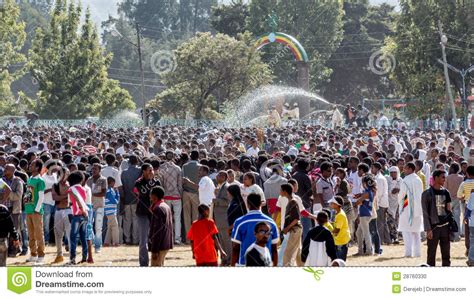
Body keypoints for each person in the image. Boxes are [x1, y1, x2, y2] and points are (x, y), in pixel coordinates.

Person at [231, 193, 279, 266]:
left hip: (244, 264)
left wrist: (232, 266)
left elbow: (235, 248)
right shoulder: (271, 223)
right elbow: (274, 249)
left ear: (247, 204)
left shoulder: (239, 222)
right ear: (260, 204)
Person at [421, 170, 452, 267]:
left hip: (445, 227)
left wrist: (450, 225)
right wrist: (428, 229)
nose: (444, 179)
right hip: (433, 228)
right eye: (442, 177)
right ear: (436, 178)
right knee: (431, 254)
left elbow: (449, 209)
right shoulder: (426, 194)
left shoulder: (446, 192)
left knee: (446, 254)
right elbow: (425, 213)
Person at [135, 163, 161, 266]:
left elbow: (160, 195)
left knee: (156, 238)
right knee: (143, 240)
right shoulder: (139, 182)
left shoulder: (157, 182)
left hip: (155, 213)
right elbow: (144, 193)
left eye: (152, 170)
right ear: (144, 171)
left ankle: (156, 262)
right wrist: (150, 182)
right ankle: (144, 264)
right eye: (149, 170)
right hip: (142, 213)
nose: (152, 172)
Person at [398, 162, 424, 258]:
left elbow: (402, 195)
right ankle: (417, 253)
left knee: (406, 231)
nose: (403, 170)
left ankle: (408, 253)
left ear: (410, 169)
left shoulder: (405, 180)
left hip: (407, 208)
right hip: (418, 209)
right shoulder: (418, 180)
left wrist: (399, 201)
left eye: (405, 168)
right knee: (416, 232)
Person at [25, 159, 46, 264]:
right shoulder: (30, 179)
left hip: (36, 211)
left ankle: (41, 255)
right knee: (31, 234)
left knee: (38, 233)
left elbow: (41, 197)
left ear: (37, 167)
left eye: (32, 164)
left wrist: (37, 210)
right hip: (28, 209)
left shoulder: (40, 180)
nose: (30, 165)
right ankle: (33, 254)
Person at [160, 151, 183, 245]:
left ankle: (167, 237)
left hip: (166, 195)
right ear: (173, 157)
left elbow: (160, 183)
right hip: (176, 196)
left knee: (166, 218)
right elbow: (180, 184)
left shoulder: (162, 168)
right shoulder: (177, 168)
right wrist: (180, 194)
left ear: (165, 157)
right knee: (177, 218)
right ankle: (177, 238)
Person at [67, 171, 89, 265]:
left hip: (76, 215)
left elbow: (74, 199)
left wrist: (79, 208)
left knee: (73, 237)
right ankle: (84, 257)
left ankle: (72, 259)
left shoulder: (71, 189)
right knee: (83, 237)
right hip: (84, 215)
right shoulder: (83, 189)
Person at [148, 186, 173, 267]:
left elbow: (157, 231)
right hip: (165, 244)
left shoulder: (158, 209)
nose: (150, 197)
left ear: (154, 196)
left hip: (159, 246)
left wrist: (154, 250)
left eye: (151, 194)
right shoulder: (166, 206)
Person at [120, 154, 141, 245]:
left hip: (126, 198)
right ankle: (135, 239)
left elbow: (122, 187)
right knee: (136, 219)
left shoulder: (124, 172)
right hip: (136, 198)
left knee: (127, 219)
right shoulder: (139, 171)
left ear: (129, 162)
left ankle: (127, 239)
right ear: (137, 161)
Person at [86, 163, 107, 253]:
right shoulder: (89, 180)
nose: (93, 170)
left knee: (98, 227)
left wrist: (92, 194)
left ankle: (98, 246)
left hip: (100, 206)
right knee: (89, 226)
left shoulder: (103, 179)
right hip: (90, 206)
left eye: (95, 169)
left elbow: (103, 193)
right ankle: (94, 242)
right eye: (92, 169)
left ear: (99, 170)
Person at [280, 183, 302, 266]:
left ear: (285, 192)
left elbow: (296, 219)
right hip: (296, 229)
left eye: (281, 190)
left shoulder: (292, 202)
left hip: (295, 229)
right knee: (297, 252)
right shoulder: (291, 202)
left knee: (288, 254)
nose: (280, 192)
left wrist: (287, 228)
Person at [212, 171, 231, 265]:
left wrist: (215, 201)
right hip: (220, 219)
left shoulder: (226, 187)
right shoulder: (220, 186)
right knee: (222, 240)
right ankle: (225, 258)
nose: (216, 177)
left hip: (224, 218)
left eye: (218, 175)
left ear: (223, 177)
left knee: (226, 240)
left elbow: (227, 202)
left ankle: (229, 259)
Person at [354, 175, 376, 256]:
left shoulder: (367, 192)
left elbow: (358, 202)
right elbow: (362, 198)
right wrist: (360, 196)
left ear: (365, 183)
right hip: (366, 214)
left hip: (364, 214)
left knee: (365, 233)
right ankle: (361, 251)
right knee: (359, 233)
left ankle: (369, 251)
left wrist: (357, 201)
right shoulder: (370, 191)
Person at [52, 167, 70, 264]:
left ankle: (72, 255)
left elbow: (70, 198)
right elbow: (55, 197)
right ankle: (59, 255)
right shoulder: (55, 185)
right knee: (58, 234)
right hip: (59, 210)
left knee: (70, 234)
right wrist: (66, 196)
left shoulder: (70, 185)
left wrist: (61, 198)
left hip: (68, 210)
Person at [182, 150, 201, 239]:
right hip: (196, 194)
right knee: (195, 216)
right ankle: (195, 237)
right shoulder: (201, 167)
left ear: (190, 156)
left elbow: (182, 179)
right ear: (198, 157)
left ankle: (188, 238)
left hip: (186, 192)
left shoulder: (185, 166)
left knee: (186, 216)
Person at [457, 165, 474, 255]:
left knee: (468, 230)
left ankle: (468, 249)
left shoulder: (464, 184)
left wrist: (464, 197)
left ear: (467, 173)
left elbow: (459, 196)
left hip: (468, 207)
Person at [329, 196, 350, 261]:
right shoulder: (337, 213)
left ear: (337, 205)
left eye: (332, 203)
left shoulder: (340, 215)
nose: (330, 204)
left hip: (341, 241)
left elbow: (336, 231)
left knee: (339, 262)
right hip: (339, 240)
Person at [386, 166, 401, 244]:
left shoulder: (400, 180)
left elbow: (404, 191)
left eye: (394, 172)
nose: (393, 174)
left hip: (398, 203)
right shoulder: (387, 180)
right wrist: (391, 191)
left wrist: (399, 190)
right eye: (391, 172)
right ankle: (392, 237)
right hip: (389, 203)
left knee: (396, 221)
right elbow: (386, 191)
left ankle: (396, 237)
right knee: (390, 221)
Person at [104, 177, 120, 247]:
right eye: (114, 183)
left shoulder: (109, 190)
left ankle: (106, 242)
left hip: (109, 211)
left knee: (110, 227)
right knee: (115, 226)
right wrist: (117, 193)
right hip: (111, 212)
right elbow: (115, 201)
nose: (114, 184)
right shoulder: (109, 191)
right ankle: (115, 242)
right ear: (111, 183)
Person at [465, 192, 474, 266]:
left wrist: (465, 218)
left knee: (472, 242)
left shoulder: (473, 195)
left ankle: (471, 260)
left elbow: (469, 209)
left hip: (473, 223)